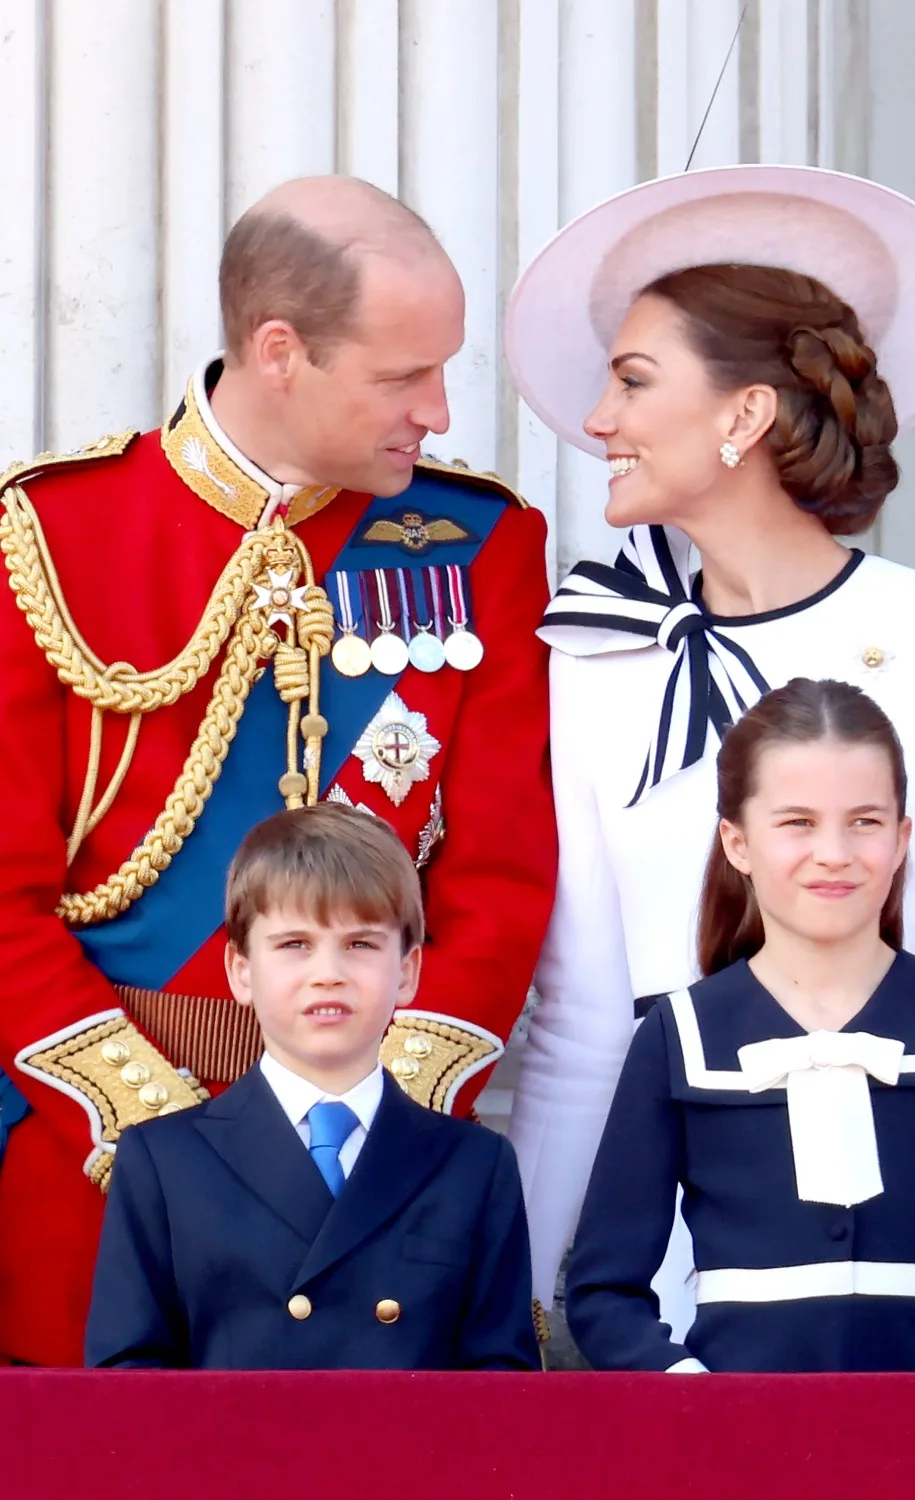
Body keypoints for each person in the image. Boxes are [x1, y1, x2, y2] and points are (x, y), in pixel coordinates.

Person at [0, 175, 556, 1367]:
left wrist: (376, 1120)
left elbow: (501, 882)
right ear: (279, 351)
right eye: (404, 377)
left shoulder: (482, 546)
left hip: (377, 1175)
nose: (441, 412)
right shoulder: (50, 536)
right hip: (93, 1162)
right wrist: (161, 1141)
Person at [502, 164, 915, 1330]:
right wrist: (520, 1299)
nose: (597, 421)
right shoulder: (594, 658)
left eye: (632, 382)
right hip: (659, 1284)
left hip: (898, 1273)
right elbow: (582, 1021)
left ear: (744, 415)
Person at [565, 678, 915, 1373]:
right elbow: (603, 1292)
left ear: (902, 837)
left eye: (865, 821)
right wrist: (692, 1397)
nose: (834, 851)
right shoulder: (678, 1034)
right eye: (798, 822)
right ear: (737, 843)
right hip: (733, 1455)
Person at [85, 803, 539, 1371]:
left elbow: (500, 1389)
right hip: (228, 1460)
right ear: (240, 970)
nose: (328, 972)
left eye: (361, 944)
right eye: (294, 944)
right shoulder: (163, 1160)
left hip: (411, 1459)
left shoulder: (474, 1165)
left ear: (408, 972)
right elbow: (129, 1382)